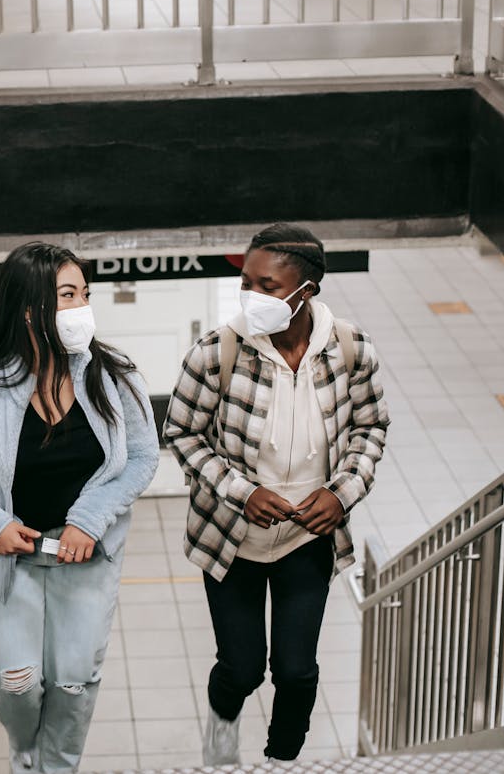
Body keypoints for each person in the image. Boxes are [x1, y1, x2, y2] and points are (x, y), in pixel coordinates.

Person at [0, 241, 159, 773]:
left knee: (74, 678)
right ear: (30, 309)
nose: (82, 308)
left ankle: (57, 767)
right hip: (13, 557)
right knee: (19, 682)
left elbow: (144, 456)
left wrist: (87, 519)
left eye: (84, 295)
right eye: (68, 295)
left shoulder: (114, 375)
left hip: (87, 555)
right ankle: (24, 750)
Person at [163, 224, 389, 765]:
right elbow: (181, 433)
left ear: (304, 292)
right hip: (231, 537)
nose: (251, 297)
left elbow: (370, 429)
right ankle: (221, 734)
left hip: (307, 538)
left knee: (296, 670)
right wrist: (241, 492)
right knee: (242, 666)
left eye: (267, 286)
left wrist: (343, 493)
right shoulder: (218, 351)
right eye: (246, 282)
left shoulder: (352, 349)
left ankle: (282, 757)